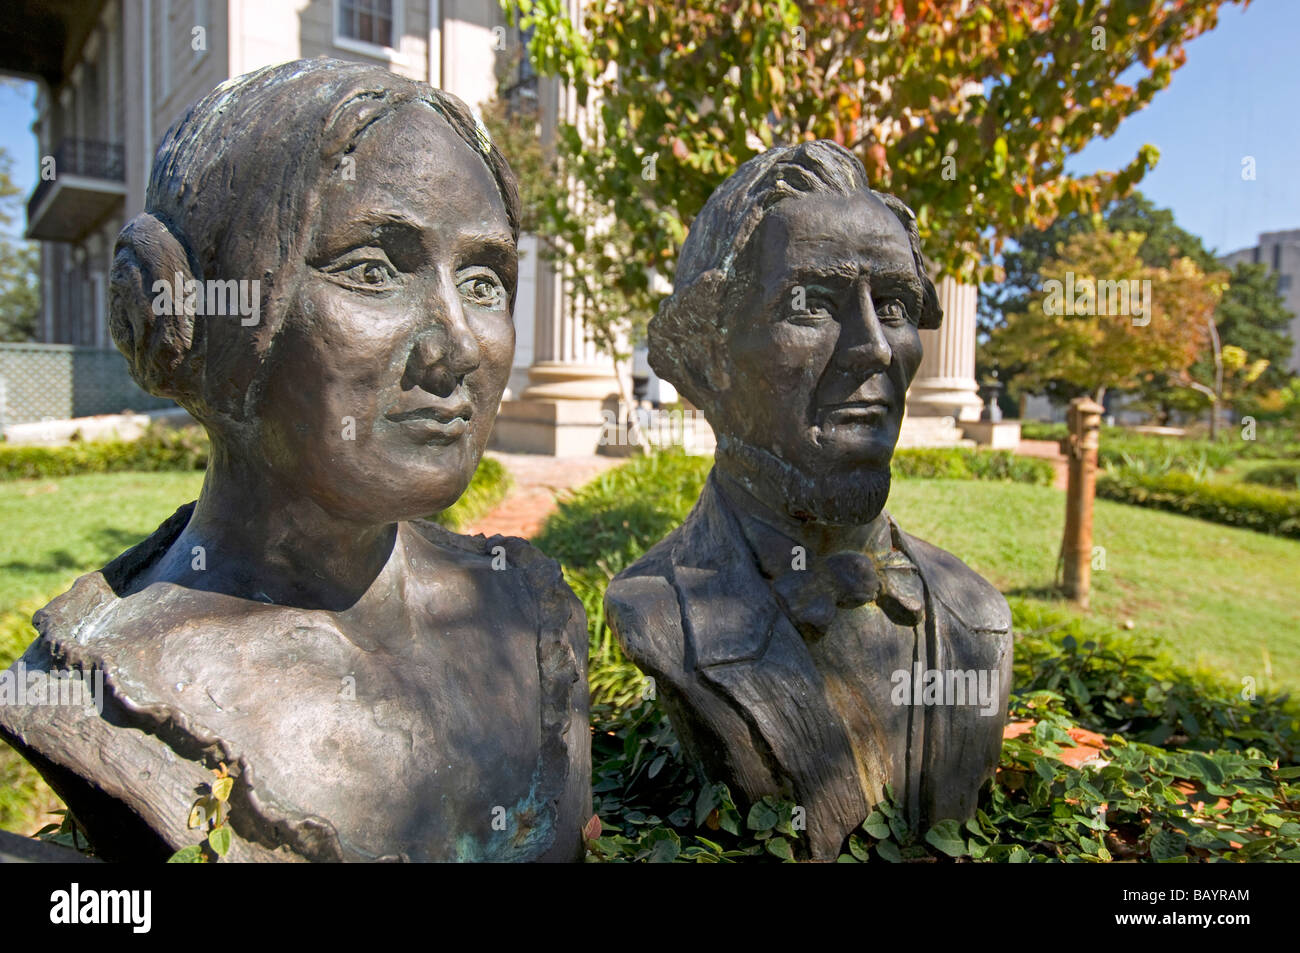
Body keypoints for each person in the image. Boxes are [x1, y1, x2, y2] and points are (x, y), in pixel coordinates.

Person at [0, 59, 589, 862]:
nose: (458, 342)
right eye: (374, 270)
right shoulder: (92, 690)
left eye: (484, 280)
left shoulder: (531, 617)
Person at [605, 141, 1012, 861]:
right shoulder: (656, 609)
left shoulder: (975, 616)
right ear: (710, 356)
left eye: (892, 304)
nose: (875, 349)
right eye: (813, 304)